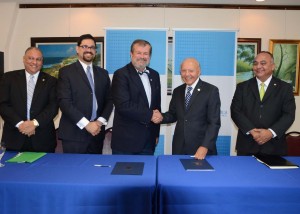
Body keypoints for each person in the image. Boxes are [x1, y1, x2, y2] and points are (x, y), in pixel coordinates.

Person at [152, 58, 221, 160]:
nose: (187, 74)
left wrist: (205, 146)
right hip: (179, 147)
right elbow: (173, 114)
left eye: (191, 70)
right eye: (183, 71)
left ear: (199, 71)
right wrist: (161, 117)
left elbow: (214, 123)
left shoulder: (211, 91)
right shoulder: (177, 91)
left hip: (201, 148)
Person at [231, 51, 296, 156]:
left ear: (273, 66)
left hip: (274, 146)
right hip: (247, 145)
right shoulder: (242, 87)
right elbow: (235, 111)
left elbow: (289, 115)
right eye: (255, 63)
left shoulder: (285, 88)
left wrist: (270, 132)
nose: (258, 66)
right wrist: (252, 131)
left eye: (263, 63)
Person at [57, 34, 113, 154]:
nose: (88, 50)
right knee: (73, 171)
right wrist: (87, 124)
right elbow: (64, 102)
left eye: (92, 47)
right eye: (85, 46)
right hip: (74, 134)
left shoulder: (103, 73)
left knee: (94, 171)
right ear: (77, 49)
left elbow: (109, 100)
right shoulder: (66, 72)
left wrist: (99, 122)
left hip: (97, 133)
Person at [0, 47, 58, 152]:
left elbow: (53, 107)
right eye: (31, 58)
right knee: (13, 169)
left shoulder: (51, 81)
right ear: (24, 59)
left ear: (42, 62)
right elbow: (3, 105)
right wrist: (20, 124)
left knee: (43, 169)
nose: (34, 62)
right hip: (14, 137)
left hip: (43, 139)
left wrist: (34, 123)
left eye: (38, 59)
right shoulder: (8, 78)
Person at [111, 39, 161, 155]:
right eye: (138, 53)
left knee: (148, 172)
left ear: (150, 56)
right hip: (126, 142)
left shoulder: (155, 75)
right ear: (131, 54)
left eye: (145, 53)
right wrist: (150, 115)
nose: (142, 57)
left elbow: (156, 106)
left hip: (149, 141)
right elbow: (123, 106)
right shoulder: (121, 74)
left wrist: (156, 134)